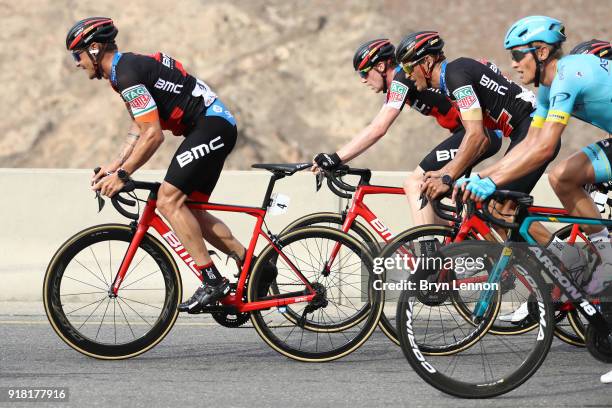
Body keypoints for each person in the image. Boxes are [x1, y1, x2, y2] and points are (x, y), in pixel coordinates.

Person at [66, 17, 273, 313]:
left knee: (168, 199)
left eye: (78, 54)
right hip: (213, 126)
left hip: (210, 126)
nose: (77, 63)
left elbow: (153, 136)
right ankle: (255, 265)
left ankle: (212, 281)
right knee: (191, 210)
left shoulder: (126, 75)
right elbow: (140, 127)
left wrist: (123, 175)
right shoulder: (126, 70)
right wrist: (113, 166)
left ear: (95, 48)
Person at [461, 17, 612, 382]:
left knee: (563, 174)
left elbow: (545, 145)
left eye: (518, 55)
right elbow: (531, 144)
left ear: (541, 51)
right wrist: (485, 178)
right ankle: (606, 254)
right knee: (564, 177)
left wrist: (490, 179)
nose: (513, 64)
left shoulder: (568, 75)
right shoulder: (547, 89)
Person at [311, 39, 501, 234]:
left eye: (364, 72)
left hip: (479, 134)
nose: (362, 79)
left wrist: (335, 158)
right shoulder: (403, 79)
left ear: (381, 66)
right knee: (428, 196)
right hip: (473, 133)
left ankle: (428, 257)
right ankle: (465, 240)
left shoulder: (402, 78)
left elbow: (378, 128)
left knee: (414, 184)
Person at [394, 31, 555, 244]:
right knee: (493, 210)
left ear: (427, 62)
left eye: (407, 67)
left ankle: (570, 258)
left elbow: (476, 135)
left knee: (500, 210)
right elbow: (483, 139)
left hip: (532, 132)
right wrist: (445, 172)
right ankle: (532, 266)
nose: (406, 75)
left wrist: (447, 177)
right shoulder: (452, 80)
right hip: (525, 133)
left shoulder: (455, 76)